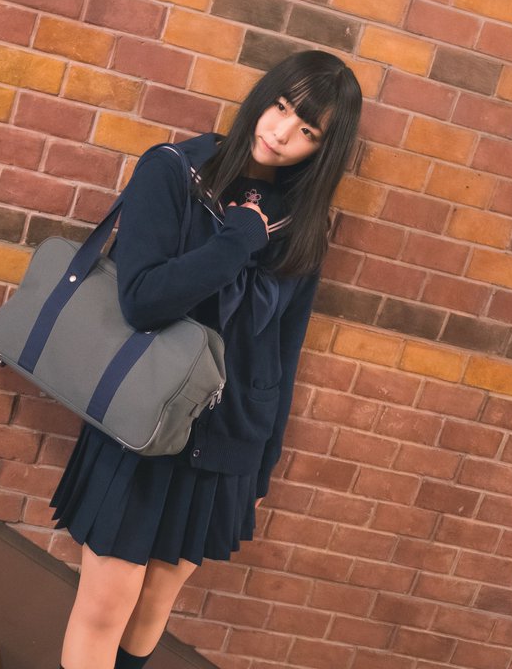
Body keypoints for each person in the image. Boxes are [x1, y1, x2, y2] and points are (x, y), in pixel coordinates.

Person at [50, 50, 363, 669]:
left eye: (307, 130)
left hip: (226, 440)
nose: (281, 133)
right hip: (144, 423)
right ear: (262, 97)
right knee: (106, 605)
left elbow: (284, 348)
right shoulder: (175, 171)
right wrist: (238, 239)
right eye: (281, 107)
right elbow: (143, 300)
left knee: (152, 608)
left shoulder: (302, 224)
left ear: (322, 149)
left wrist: (262, 467)